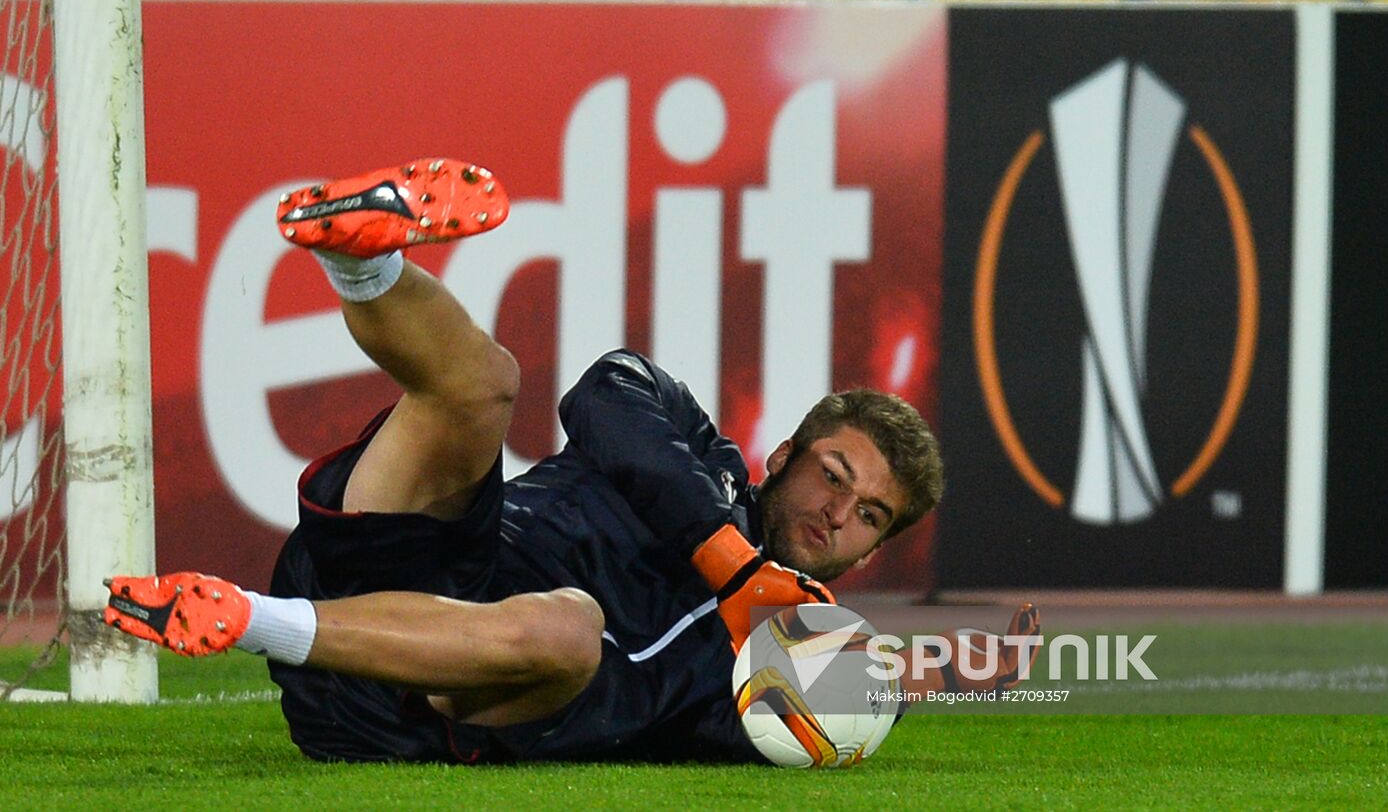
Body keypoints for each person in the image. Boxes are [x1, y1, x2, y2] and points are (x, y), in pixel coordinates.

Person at [105, 157, 1023, 764]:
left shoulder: (769, 658)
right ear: (781, 455)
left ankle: (241, 619)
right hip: (428, 556)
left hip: (429, 708)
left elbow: (837, 710)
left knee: (568, 630)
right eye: (834, 474)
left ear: (870, 554)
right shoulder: (688, 442)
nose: (838, 511)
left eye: (869, 516)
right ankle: (362, 263)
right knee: (484, 385)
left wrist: (900, 677)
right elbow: (598, 396)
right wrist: (731, 562)